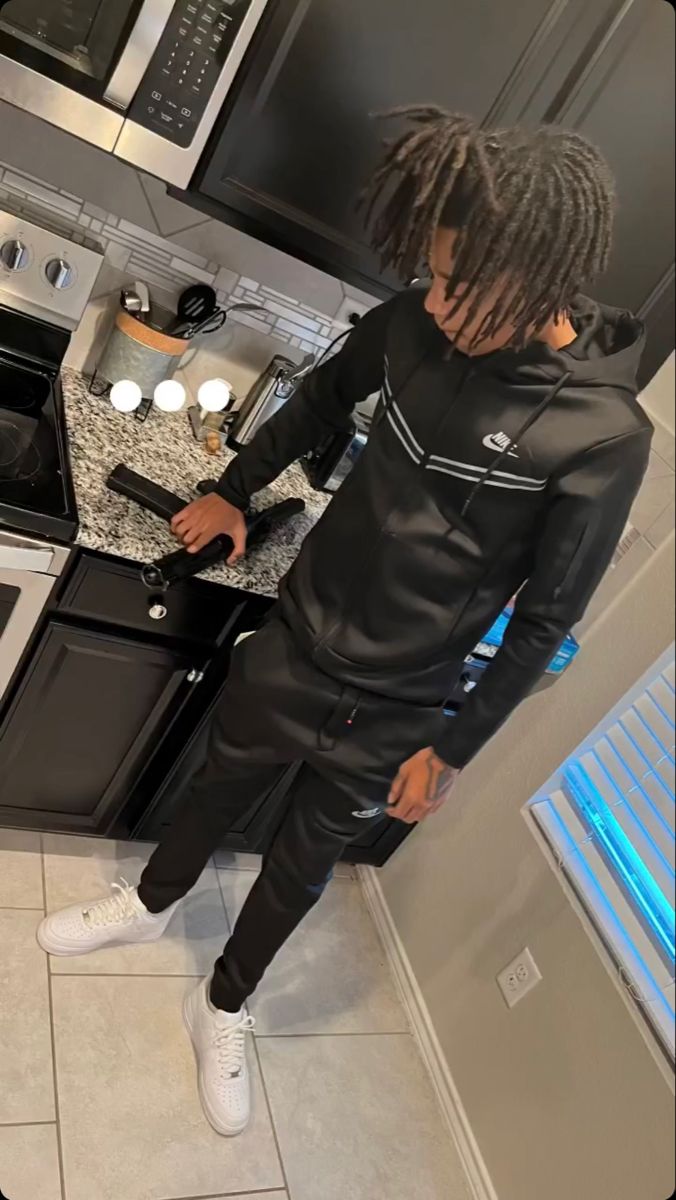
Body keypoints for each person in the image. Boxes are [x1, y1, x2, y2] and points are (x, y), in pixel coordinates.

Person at [38, 108, 652, 1136]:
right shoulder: (412, 325)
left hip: (402, 705)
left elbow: (545, 623)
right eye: (438, 276)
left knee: (301, 866)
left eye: (465, 288)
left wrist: (448, 751)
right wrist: (234, 488)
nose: (440, 305)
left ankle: (223, 1002)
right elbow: (320, 400)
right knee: (215, 784)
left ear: (541, 279)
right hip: (296, 642)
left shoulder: (599, 435)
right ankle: (151, 902)